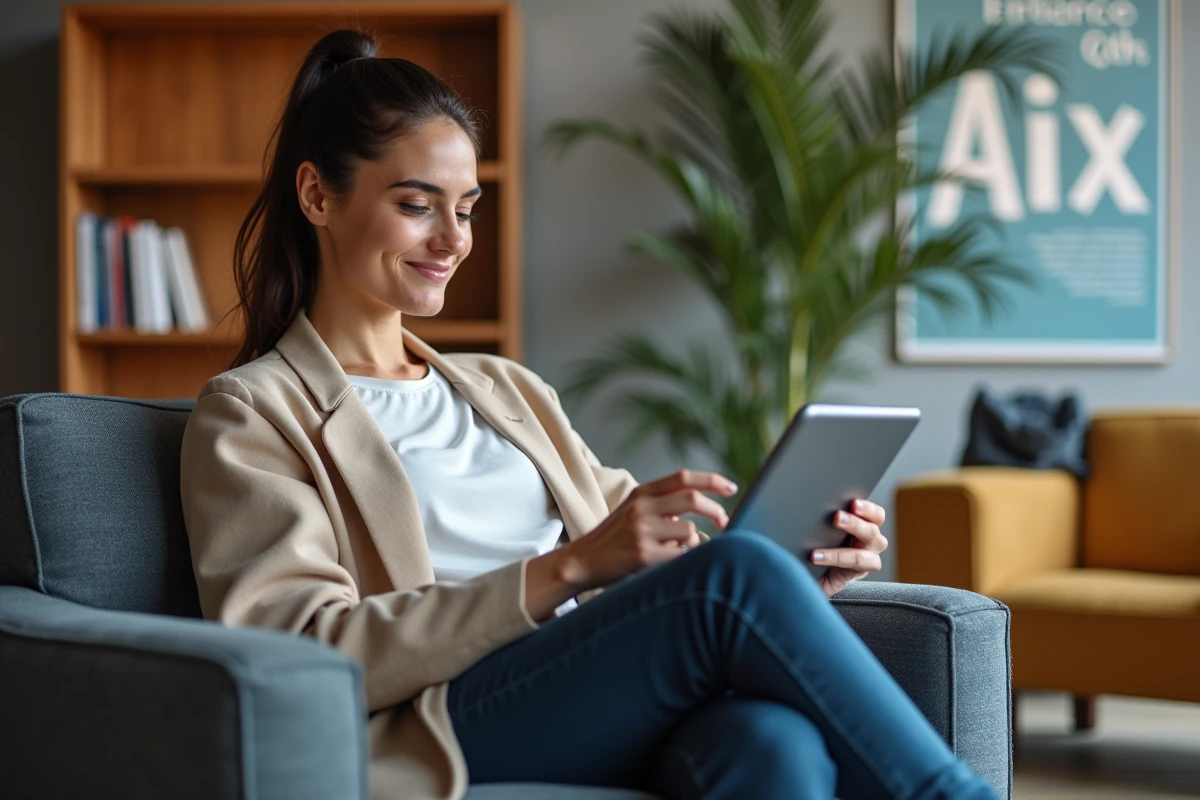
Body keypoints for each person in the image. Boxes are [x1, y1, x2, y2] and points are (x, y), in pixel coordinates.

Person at [179, 28, 999, 800]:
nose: (453, 239)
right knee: (736, 576)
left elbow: (662, 572)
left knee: (771, 744)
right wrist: (566, 570)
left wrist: (803, 574)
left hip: (592, 687)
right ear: (319, 195)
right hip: (443, 717)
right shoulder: (252, 413)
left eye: (466, 208)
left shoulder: (505, 390)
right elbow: (297, 648)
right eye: (417, 204)